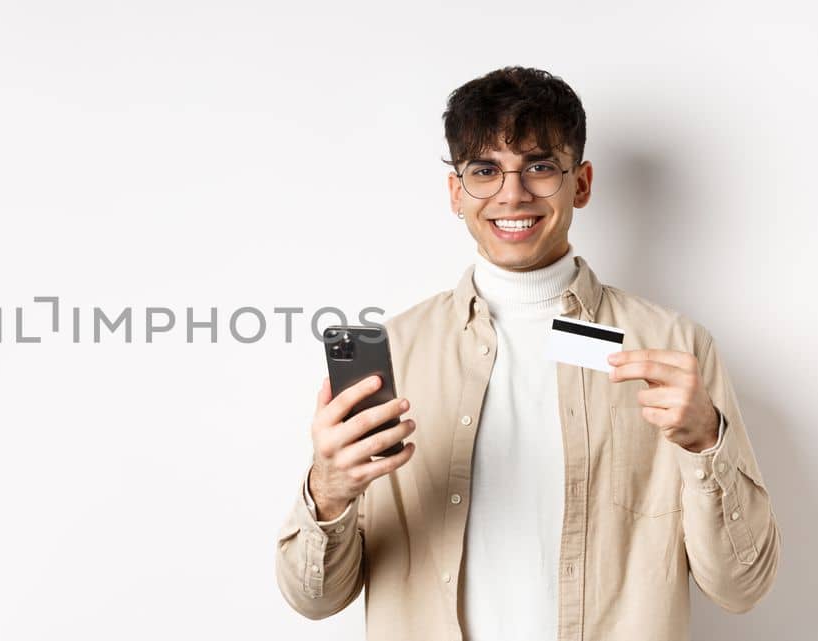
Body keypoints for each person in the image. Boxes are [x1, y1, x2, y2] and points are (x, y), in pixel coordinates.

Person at [274, 66, 780, 641]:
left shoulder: (674, 350)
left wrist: (706, 442)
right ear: (456, 193)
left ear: (581, 184)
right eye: (485, 171)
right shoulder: (390, 354)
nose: (512, 193)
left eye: (539, 167)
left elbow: (743, 586)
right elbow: (313, 600)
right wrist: (330, 490)